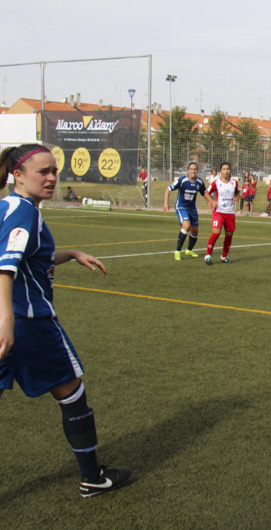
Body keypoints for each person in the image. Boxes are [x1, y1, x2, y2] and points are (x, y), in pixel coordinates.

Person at [0, 144, 131, 497]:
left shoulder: (6, 207)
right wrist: (7, 319)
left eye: (54, 171)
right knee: (72, 393)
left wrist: (71, 253)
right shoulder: (25, 211)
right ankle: (92, 478)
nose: (51, 177)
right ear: (18, 175)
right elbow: (6, 265)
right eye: (42, 171)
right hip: (28, 322)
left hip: (11, 318)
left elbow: (25, 256)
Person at [163, 161, 207, 260]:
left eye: (195, 169)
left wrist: (211, 205)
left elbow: (205, 193)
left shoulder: (199, 182)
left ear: (197, 171)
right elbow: (168, 189)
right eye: (191, 169)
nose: (193, 171)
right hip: (181, 206)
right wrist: (166, 202)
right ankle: (178, 251)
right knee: (186, 226)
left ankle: (189, 250)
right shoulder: (182, 180)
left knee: (195, 232)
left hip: (192, 209)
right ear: (188, 170)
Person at [203, 162, 239, 265]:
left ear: (230, 170)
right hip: (219, 212)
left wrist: (237, 197)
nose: (226, 171)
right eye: (224, 169)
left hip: (230, 213)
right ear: (220, 171)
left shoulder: (234, 182)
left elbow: (237, 192)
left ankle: (224, 256)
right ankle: (208, 255)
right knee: (216, 233)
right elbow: (206, 193)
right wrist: (212, 202)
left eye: (227, 169)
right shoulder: (216, 182)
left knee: (229, 236)